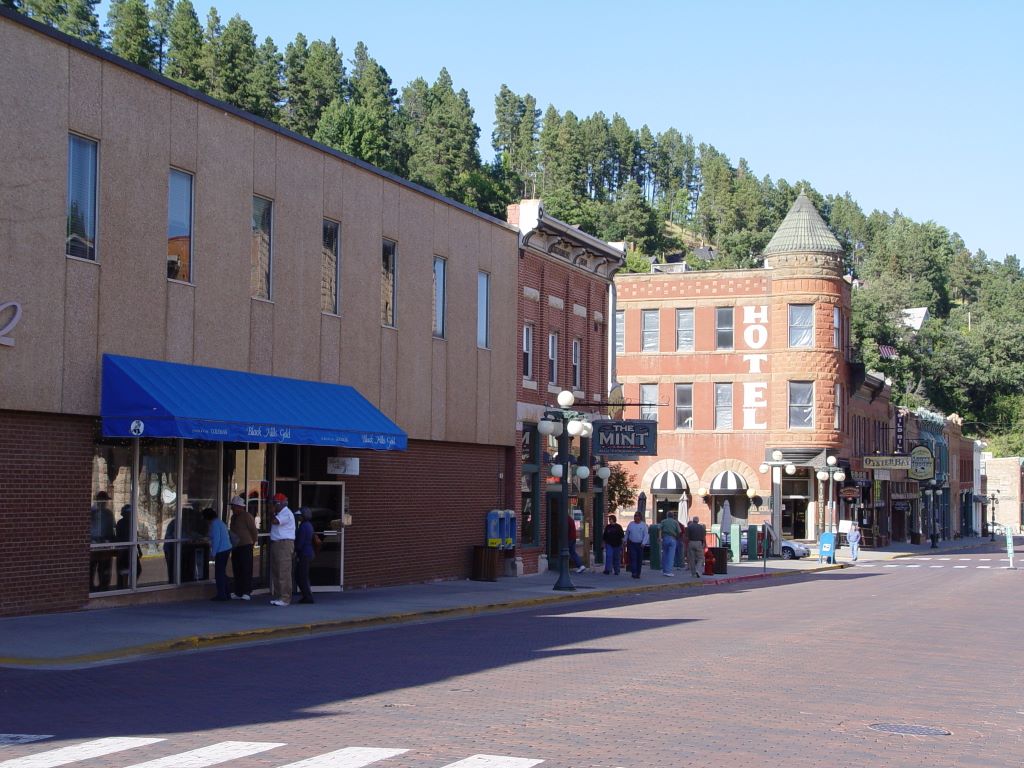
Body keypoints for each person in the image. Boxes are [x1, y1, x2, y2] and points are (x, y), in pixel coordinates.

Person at [228, 495, 258, 600]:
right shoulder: (233, 517)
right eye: (232, 506)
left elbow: (254, 531)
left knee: (246, 568)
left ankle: (247, 591)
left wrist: (252, 543)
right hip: (236, 546)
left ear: (240, 507)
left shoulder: (247, 516)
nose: (232, 508)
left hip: (246, 546)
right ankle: (238, 591)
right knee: (237, 568)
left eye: (234, 506)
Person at [269, 492, 296, 606]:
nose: (274, 505)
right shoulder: (279, 512)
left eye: (275, 503)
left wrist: (271, 512)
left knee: (283, 571)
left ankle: (285, 598)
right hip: (277, 543)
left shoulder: (286, 513)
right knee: (276, 570)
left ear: (281, 503)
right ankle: (279, 596)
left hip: (284, 544)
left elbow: (275, 521)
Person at [203, 507, 232, 601]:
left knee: (219, 573)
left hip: (221, 550)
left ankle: (221, 595)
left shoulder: (214, 524)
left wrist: (213, 553)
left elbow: (216, 539)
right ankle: (227, 593)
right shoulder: (219, 522)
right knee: (222, 572)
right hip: (226, 548)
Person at [89, 491, 115, 590]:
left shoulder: (108, 513)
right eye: (102, 501)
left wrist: (110, 541)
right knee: (91, 568)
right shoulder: (92, 512)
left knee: (104, 568)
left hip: (105, 544)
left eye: (105, 501)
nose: (104, 503)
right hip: (93, 544)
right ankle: (90, 587)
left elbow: (112, 528)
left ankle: (103, 587)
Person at [294, 507, 316, 604]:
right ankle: (306, 595)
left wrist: (296, 551)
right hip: (307, 552)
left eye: (300, 516)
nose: (298, 517)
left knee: (301, 576)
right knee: (302, 575)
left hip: (304, 553)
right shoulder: (308, 525)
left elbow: (300, 542)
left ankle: (307, 596)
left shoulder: (303, 527)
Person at [625, 512, 649, 579]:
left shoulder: (644, 525)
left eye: (637, 516)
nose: (635, 517)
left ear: (640, 517)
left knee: (639, 559)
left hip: (640, 545)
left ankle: (638, 573)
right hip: (632, 544)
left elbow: (646, 535)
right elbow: (627, 533)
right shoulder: (631, 524)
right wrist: (624, 540)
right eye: (635, 516)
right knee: (633, 558)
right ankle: (634, 572)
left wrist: (643, 543)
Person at [660, 511, 681, 576]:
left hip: (665, 538)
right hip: (672, 538)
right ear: (672, 516)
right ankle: (668, 571)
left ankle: (664, 570)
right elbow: (679, 531)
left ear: (667, 515)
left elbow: (659, 529)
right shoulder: (675, 522)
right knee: (671, 556)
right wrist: (676, 536)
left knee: (664, 554)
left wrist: (660, 537)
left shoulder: (663, 521)